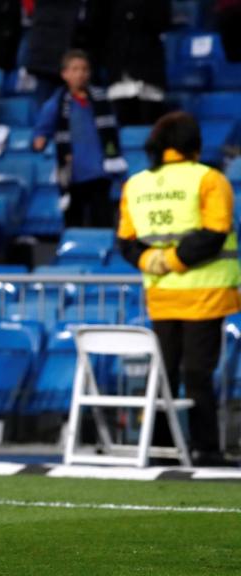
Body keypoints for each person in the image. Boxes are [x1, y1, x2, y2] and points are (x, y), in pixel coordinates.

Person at [117, 111, 239, 468]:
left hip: (161, 295)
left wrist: (152, 261)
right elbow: (215, 233)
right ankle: (205, 451)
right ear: (194, 145)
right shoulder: (210, 179)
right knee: (198, 374)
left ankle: (158, 449)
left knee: (164, 374)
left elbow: (126, 241)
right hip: (205, 293)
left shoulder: (135, 184)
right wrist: (175, 260)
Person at [32, 49, 126, 228]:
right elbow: (40, 132)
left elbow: (113, 132)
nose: (80, 74)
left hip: (100, 174)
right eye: (74, 69)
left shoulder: (102, 100)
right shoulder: (56, 104)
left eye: (84, 69)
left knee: (102, 224)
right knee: (75, 225)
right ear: (64, 74)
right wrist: (40, 139)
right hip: (73, 175)